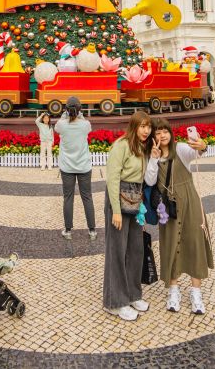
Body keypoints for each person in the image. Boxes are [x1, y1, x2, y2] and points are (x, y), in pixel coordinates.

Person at [145, 117, 214, 313]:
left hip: (189, 201)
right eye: (157, 133)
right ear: (153, 137)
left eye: (164, 131)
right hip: (167, 208)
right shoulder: (152, 155)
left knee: (194, 243)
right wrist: (153, 158)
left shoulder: (181, 149)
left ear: (170, 132)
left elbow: (196, 151)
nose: (162, 135)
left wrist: (202, 145)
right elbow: (150, 181)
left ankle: (196, 293)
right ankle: (173, 290)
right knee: (170, 244)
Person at [103, 111, 152, 321]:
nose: (146, 131)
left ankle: (133, 294)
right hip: (118, 199)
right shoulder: (121, 146)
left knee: (135, 249)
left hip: (134, 200)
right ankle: (115, 302)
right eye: (142, 126)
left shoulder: (144, 148)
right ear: (134, 126)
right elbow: (112, 178)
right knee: (117, 251)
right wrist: (115, 210)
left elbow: (143, 179)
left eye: (148, 127)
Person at [54, 97, 96, 240]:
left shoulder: (61, 124)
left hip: (67, 167)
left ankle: (68, 230)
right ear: (79, 110)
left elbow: (57, 127)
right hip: (84, 166)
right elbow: (85, 124)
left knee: (68, 198)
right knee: (87, 197)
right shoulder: (85, 125)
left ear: (66, 109)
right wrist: (79, 115)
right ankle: (92, 231)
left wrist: (65, 115)